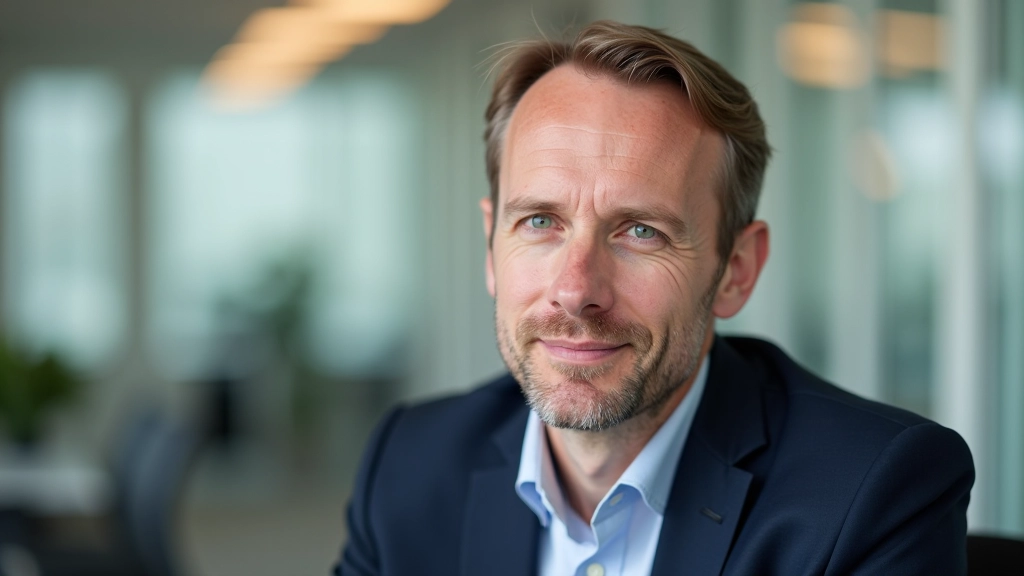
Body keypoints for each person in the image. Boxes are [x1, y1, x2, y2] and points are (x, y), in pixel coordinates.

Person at [334, 20, 974, 576]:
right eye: (540, 222)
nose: (576, 289)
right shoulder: (410, 463)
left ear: (736, 270)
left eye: (641, 231)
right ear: (490, 244)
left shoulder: (871, 492)